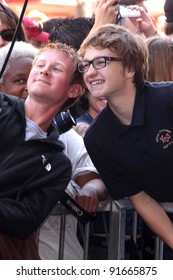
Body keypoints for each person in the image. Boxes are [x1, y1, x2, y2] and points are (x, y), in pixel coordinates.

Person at [78, 23, 173, 252]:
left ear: (130, 68)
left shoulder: (168, 98)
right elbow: (142, 201)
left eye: (101, 62)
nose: (90, 72)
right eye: (85, 65)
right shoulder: (97, 139)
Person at [0, 41, 85, 259]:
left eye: (57, 69)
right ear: (29, 78)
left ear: (74, 90)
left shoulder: (58, 164)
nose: (45, 71)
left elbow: (25, 220)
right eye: (40, 66)